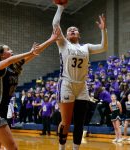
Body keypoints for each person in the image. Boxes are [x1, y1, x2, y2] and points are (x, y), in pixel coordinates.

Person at [0, 27, 60, 150]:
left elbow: (35, 52)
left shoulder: (13, 67)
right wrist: (29, 52)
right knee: (13, 147)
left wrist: (51, 39)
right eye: (8, 49)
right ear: (2, 55)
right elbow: (15, 58)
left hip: (1, 111)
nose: (12, 50)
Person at [52, 2, 108, 150]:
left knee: (79, 122)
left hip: (82, 86)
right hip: (66, 84)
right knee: (65, 121)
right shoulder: (63, 44)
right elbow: (55, 23)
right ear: (66, 34)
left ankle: (76, 148)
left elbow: (103, 47)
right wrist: (60, 7)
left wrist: (103, 30)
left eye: (74, 30)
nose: (71, 30)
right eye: (69, 30)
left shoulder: (86, 47)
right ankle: (61, 148)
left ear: (79, 35)